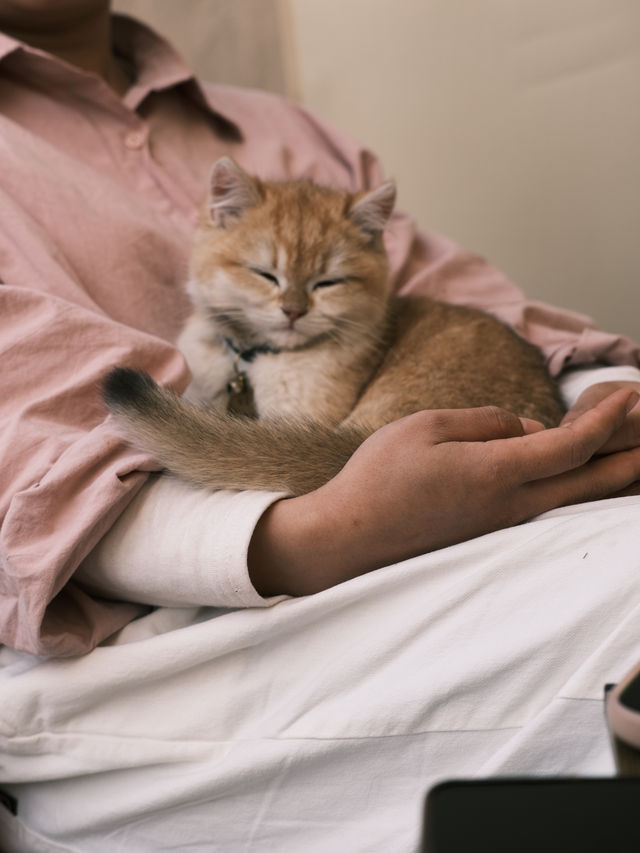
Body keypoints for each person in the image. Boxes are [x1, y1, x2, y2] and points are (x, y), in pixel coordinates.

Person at [0, 2, 639, 850]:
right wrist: (333, 525)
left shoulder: (288, 131)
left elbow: (494, 315)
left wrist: (617, 393)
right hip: (132, 651)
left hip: (461, 506)